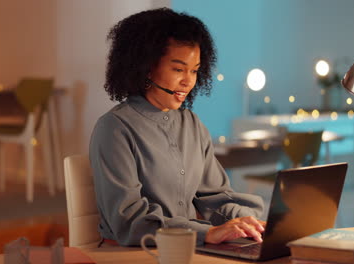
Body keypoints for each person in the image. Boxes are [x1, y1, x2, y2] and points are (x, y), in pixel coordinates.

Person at [89, 8, 265, 247]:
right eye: (178, 69)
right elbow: (129, 221)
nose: (189, 81)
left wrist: (246, 221)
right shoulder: (114, 129)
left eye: (194, 70)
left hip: (187, 250)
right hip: (132, 254)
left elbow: (214, 197)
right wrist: (205, 233)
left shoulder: (191, 124)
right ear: (147, 67)